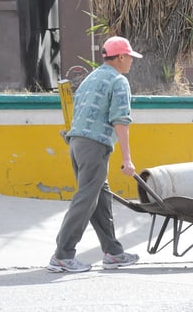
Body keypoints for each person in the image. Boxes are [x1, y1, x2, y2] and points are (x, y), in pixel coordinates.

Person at [47, 36, 143, 272]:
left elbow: (77, 107)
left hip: (77, 143)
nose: (131, 61)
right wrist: (127, 159)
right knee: (86, 199)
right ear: (120, 57)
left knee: (100, 198)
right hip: (94, 146)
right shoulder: (119, 81)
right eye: (129, 57)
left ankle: (113, 252)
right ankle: (63, 255)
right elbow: (121, 121)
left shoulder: (91, 78)